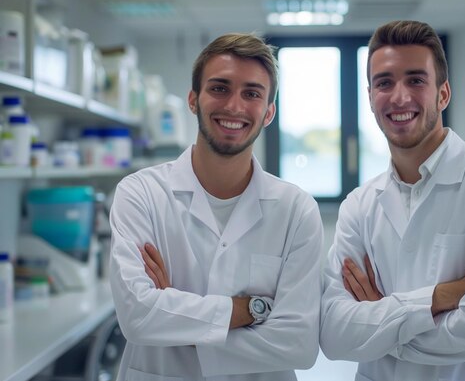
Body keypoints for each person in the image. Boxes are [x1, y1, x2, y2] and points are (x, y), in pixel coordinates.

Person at [319, 20, 465, 381]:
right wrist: (440, 298)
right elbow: (334, 334)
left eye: (416, 80)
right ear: (370, 96)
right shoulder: (359, 205)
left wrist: (381, 321)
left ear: (443, 94)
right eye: (384, 82)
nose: (399, 96)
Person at [109, 33, 324, 381]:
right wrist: (253, 310)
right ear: (193, 100)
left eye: (252, 93)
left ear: (268, 113)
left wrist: (176, 317)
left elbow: (299, 344)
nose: (235, 107)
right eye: (219, 88)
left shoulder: (296, 209)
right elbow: (138, 317)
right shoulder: (141, 194)